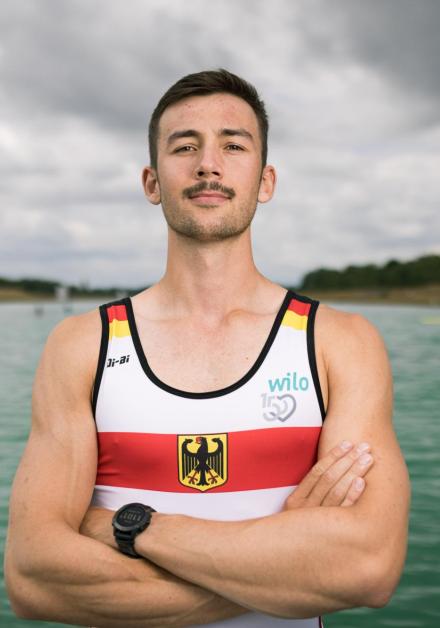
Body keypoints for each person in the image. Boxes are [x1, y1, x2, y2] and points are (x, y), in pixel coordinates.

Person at [5, 69, 410, 627]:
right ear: (152, 182)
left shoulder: (338, 342)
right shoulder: (83, 346)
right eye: (185, 146)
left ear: (266, 180)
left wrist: (133, 527)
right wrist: (291, 569)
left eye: (233, 145)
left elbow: (368, 568)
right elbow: (33, 580)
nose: (208, 165)